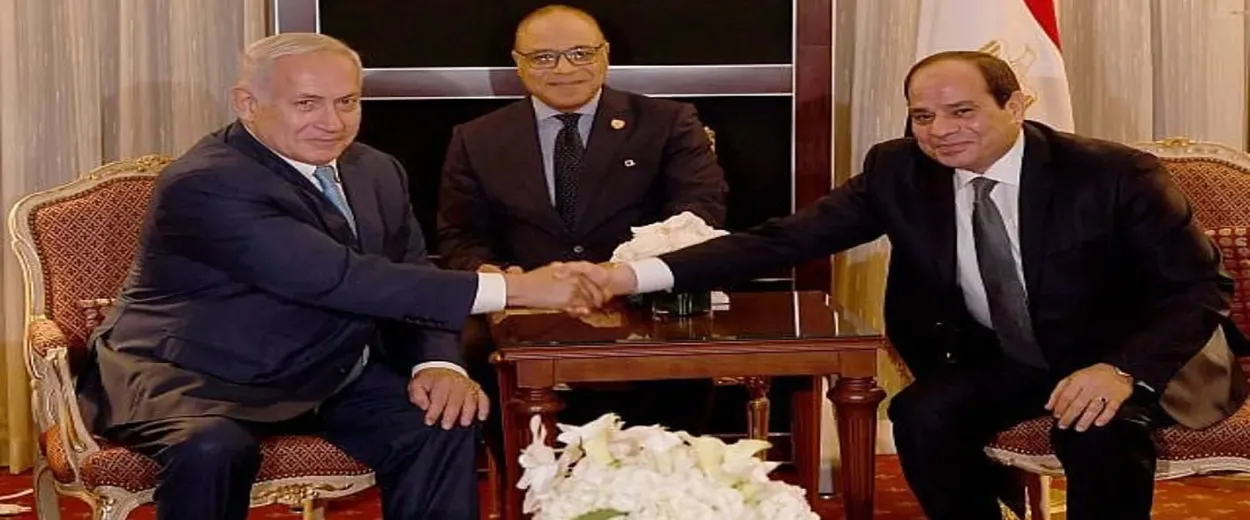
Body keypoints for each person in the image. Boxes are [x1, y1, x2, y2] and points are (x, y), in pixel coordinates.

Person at [589, 51, 1249, 519]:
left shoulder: (1113, 175)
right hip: (1010, 356)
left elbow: (1199, 287)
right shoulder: (899, 170)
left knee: (1097, 432)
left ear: (1016, 104)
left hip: (1128, 351)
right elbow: (785, 239)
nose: (940, 131)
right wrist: (633, 274)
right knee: (921, 413)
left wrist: (1121, 370)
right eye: (923, 116)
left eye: (962, 111)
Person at [75, 33, 609, 520]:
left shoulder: (375, 169)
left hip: (329, 365)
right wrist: (520, 288)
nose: (332, 123)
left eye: (347, 102)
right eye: (307, 104)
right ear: (247, 104)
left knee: (445, 418)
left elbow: (410, 272)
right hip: (195, 375)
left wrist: (437, 362)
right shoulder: (207, 181)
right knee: (213, 448)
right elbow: (341, 278)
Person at [436, 5, 727, 429]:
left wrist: (626, 276)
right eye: (544, 57)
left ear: (605, 55)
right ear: (518, 63)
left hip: (644, 308)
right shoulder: (477, 138)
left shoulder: (668, 123)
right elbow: (459, 236)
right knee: (473, 352)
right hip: (526, 312)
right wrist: (500, 278)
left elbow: (697, 214)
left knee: (678, 370)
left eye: (581, 53)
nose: (564, 69)